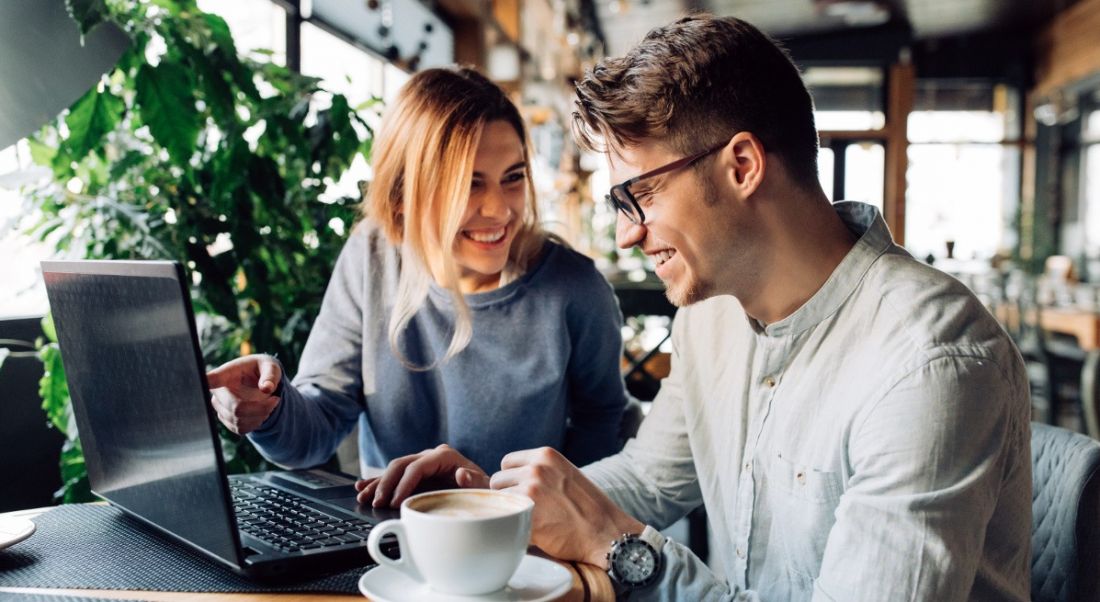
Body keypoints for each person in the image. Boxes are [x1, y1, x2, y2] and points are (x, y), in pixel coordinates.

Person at [361, 15, 1032, 601]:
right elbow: (651, 478)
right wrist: (493, 507)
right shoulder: (710, 315)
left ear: (741, 165)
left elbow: (626, 528)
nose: (626, 233)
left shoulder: (928, 367)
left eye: (641, 196)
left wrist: (620, 547)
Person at [205, 67, 628, 482]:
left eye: (513, 177)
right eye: (469, 183)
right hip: (392, 538)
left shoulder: (575, 289)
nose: (499, 210)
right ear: (401, 195)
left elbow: (603, 423)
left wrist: (538, 512)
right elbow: (315, 431)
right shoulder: (372, 256)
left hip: (521, 539)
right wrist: (271, 408)